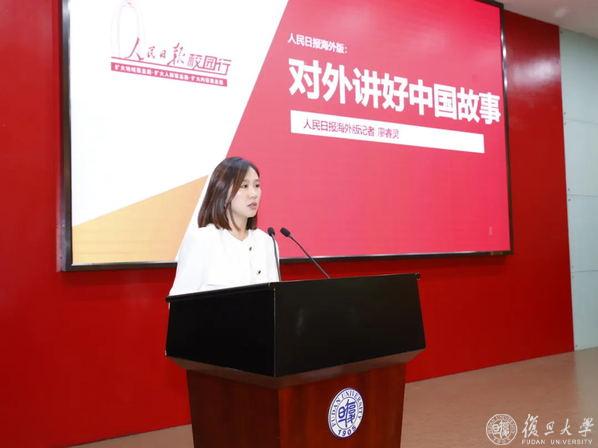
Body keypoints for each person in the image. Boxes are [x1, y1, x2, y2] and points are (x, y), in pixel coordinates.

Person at [169, 156, 280, 295]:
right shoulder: (202, 240)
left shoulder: (267, 243)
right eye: (244, 186)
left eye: (257, 186)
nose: (253, 194)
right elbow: (178, 302)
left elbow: (276, 298)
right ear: (222, 190)